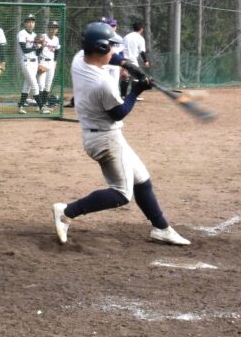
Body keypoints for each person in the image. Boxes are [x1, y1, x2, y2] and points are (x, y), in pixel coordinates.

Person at [51, 21, 190, 247]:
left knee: (142, 180)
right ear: (101, 48)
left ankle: (161, 228)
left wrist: (128, 65)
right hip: (105, 140)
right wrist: (136, 90)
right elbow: (119, 113)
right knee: (121, 194)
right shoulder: (102, 83)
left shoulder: (80, 59)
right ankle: (67, 211)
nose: (115, 52)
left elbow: (113, 59)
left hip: (102, 134)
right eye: (111, 48)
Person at [16, 14, 43, 114]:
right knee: (34, 84)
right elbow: (24, 50)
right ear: (25, 23)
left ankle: (21, 106)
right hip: (26, 62)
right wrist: (36, 47)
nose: (31, 24)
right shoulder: (21, 34)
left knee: (27, 86)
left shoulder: (35, 35)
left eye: (32, 22)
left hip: (34, 62)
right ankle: (41, 107)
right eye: (29, 22)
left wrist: (41, 47)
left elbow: (37, 53)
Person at [37, 20, 61, 113]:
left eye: (55, 28)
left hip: (51, 63)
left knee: (48, 85)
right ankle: (40, 106)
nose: (53, 29)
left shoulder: (56, 39)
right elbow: (37, 51)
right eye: (51, 27)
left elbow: (57, 50)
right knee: (40, 85)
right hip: (42, 62)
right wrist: (38, 64)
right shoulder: (43, 37)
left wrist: (55, 61)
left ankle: (43, 105)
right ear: (48, 28)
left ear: (57, 30)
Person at [122, 21, 150, 100]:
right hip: (132, 59)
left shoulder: (126, 36)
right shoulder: (140, 38)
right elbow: (142, 51)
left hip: (122, 59)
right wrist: (146, 61)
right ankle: (134, 96)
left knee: (125, 77)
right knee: (138, 77)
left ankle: (123, 96)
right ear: (141, 29)